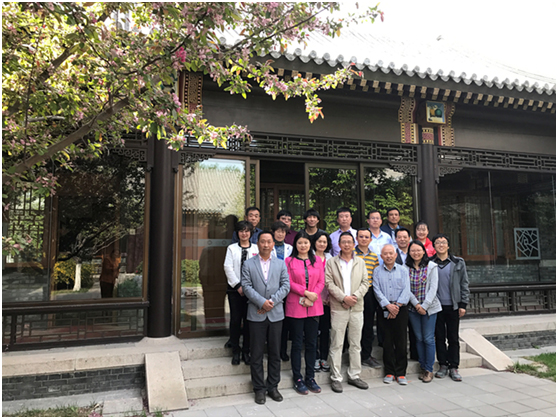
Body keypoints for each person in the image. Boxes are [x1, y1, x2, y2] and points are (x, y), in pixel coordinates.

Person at [241, 231, 290, 405]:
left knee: (275, 353)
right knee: (256, 354)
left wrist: (272, 302)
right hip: (256, 314)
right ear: (258, 243)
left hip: (276, 315)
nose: (266, 245)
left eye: (269, 241)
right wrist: (262, 302)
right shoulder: (248, 264)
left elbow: (286, 285)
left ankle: (273, 387)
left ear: (273, 244)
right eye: (263, 241)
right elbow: (246, 286)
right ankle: (259, 389)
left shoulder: (280, 264)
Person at [325, 231, 369, 393]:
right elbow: (329, 283)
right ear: (339, 244)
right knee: (336, 343)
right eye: (343, 242)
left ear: (354, 244)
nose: (346, 244)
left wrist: (355, 297)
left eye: (349, 242)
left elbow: (365, 282)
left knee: (355, 343)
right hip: (339, 308)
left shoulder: (360, 262)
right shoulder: (331, 262)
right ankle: (336, 377)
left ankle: (354, 375)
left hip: (357, 307)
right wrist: (343, 298)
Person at [285, 231, 324, 395]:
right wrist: (305, 293)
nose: (303, 245)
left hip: (313, 305)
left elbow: (321, 281)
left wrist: (313, 296)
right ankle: (298, 378)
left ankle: (310, 377)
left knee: (312, 343)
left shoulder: (317, 261)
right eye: (300, 243)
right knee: (296, 343)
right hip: (296, 305)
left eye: (306, 243)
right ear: (295, 244)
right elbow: (288, 281)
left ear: (310, 244)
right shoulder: (289, 261)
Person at [431, 234, 470, 382]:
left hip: (453, 306)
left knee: (453, 337)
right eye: (438, 242)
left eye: (443, 242)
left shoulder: (458, 262)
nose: (441, 245)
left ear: (448, 246)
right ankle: (443, 365)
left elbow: (464, 283)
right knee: (439, 337)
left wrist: (463, 304)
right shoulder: (430, 263)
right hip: (436, 307)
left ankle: (454, 366)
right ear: (434, 246)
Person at [373, 244, 411, 385]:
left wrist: (396, 306)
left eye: (391, 253)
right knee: (387, 341)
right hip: (384, 308)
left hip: (400, 309)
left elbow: (407, 289)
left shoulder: (403, 270)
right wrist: (388, 306)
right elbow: (376, 289)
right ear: (381, 256)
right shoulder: (377, 271)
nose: (388, 256)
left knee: (401, 341)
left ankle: (401, 373)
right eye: (385, 254)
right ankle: (389, 371)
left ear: (395, 255)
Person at [405, 240, 441, 383]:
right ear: (409, 252)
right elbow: (406, 288)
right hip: (413, 308)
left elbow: (433, 288)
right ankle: (422, 365)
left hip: (430, 309)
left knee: (428, 338)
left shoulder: (431, 266)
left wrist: (424, 306)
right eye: (413, 250)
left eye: (418, 250)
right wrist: (416, 304)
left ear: (424, 251)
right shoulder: (405, 268)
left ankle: (429, 369)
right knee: (419, 338)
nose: (416, 253)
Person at [223, 221, 259, 366]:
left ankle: (246, 351)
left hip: (252, 290)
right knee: (235, 320)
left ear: (251, 233)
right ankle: (235, 350)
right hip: (235, 290)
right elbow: (228, 267)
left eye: (247, 231)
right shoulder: (231, 248)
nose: (244, 234)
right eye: (241, 231)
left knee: (249, 321)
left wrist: (249, 287)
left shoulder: (256, 248)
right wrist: (238, 285)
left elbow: (258, 268)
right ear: (237, 233)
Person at [353, 228, 382, 369]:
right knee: (354, 325)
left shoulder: (374, 256)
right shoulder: (351, 254)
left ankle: (366, 355)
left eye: (366, 237)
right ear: (356, 238)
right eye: (361, 236)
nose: (363, 239)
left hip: (369, 293)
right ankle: (353, 355)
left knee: (368, 325)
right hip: (354, 292)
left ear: (371, 240)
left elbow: (376, 276)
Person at [394, 227, 417, 360]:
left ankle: (415, 354)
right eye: (399, 237)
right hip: (397, 297)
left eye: (405, 237)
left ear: (409, 238)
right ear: (395, 239)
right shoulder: (392, 254)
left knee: (414, 328)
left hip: (415, 294)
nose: (402, 239)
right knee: (400, 330)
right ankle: (401, 356)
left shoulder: (415, 253)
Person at [312, 231, 332, 373]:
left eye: (324, 242)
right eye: (319, 241)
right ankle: (315, 357)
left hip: (328, 300)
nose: (322, 244)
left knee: (325, 330)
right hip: (313, 298)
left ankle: (324, 357)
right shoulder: (309, 257)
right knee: (313, 330)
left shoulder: (331, 258)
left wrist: (329, 297)